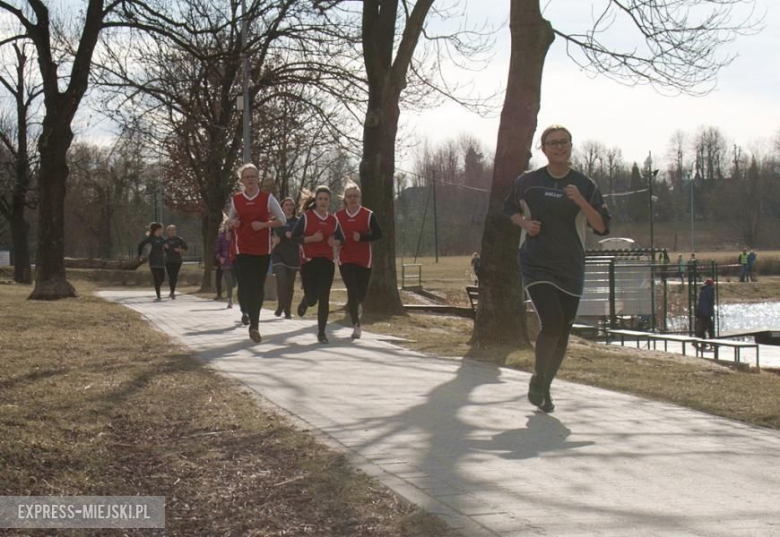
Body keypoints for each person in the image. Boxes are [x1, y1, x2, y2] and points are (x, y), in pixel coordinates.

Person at [503, 124, 610, 413]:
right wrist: (524, 223)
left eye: (564, 142)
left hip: (570, 265)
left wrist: (581, 201)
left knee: (563, 330)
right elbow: (508, 209)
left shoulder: (585, 184)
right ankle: (538, 377)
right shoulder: (528, 182)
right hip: (536, 262)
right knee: (551, 322)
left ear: (571, 146)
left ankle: (545, 387)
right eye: (552, 143)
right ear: (543, 148)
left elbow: (601, 226)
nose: (559, 147)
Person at [225, 163, 286, 343]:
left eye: (253, 176)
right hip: (242, 248)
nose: (250, 179)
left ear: (257, 179)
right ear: (242, 180)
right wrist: (233, 223)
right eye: (247, 177)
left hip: (262, 249)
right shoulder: (236, 199)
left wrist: (264, 225)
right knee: (247, 284)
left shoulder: (267, 198)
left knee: (257, 287)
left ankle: (254, 325)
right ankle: (251, 320)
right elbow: (229, 219)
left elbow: (281, 220)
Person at [292, 185, 344, 344]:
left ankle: (322, 333)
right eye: (320, 199)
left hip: (327, 262)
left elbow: (341, 239)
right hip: (309, 262)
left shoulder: (333, 220)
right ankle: (306, 301)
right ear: (316, 200)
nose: (323, 202)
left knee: (324, 298)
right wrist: (310, 239)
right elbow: (294, 237)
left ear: (329, 202)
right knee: (313, 298)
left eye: (326, 199)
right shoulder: (306, 217)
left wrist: (334, 241)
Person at [335, 182, 382, 339]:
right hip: (346, 258)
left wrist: (362, 237)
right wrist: (335, 242)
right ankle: (356, 326)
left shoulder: (368, 214)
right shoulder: (338, 216)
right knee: (352, 291)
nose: (352, 199)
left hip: (364, 259)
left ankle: (358, 307)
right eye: (349, 196)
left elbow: (378, 234)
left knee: (360, 294)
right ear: (345, 199)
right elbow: (333, 235)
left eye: (355, 196)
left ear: (359, 197)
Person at [271, 197, 300, 319]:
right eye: (286, 205)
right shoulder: (275, 221)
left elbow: (301, 238)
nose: (289, 207)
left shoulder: (298, 221)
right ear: (282, 207)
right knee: (281, 280)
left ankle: (286, 309)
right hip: (278, 255)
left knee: (289, 285)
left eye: (291, 205)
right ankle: (281, 305)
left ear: (294, 208)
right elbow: (269, 235)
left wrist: (292, 236)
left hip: (292, 256)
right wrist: (274, 240)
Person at [137, 222, 167, 302]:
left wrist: (166, 248)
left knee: (162, 279)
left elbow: (166, 249)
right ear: (157, 229)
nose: (162, 230)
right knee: (157, 279)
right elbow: (140, 245)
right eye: (161, 229)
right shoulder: (150, 238)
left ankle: (157, 289)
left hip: (161, 262)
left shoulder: (162, 239)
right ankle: (158, 296)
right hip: (153, 262)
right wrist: (139, 255)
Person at [214, 221, 235, 309]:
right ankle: (229, 299)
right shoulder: (220, 237)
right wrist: (220, 258)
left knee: (234, 283)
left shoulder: (236, 235)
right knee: (229, 282)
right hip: (225, 262)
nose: (228, 226)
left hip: (236, 261)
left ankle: (231, 295)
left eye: (230, 224)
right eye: (227, 224)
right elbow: (217, 251)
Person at [163, 224, 187, 300]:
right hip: (168, 260)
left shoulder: (179, 239)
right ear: (168, 232)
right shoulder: (166, 240)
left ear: (176, 231)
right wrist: (164, 247)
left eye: (173, 230)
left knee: (175, 276)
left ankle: (172, 291)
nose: (172, 232)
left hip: (177, 260)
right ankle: (172, 291)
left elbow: (185, 248)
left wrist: (179, 250)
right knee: (171, 276)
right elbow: (162, 249)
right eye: (170, 230)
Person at [694, 278, 716, 350]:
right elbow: (709, 301)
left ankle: (702, 343)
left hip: (701, 312)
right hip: (706, 312)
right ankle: (712, 343)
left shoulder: (702, 290)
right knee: (710, 328)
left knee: (702, 328)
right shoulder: (710, 289)